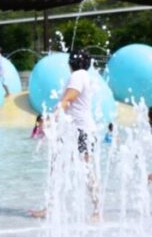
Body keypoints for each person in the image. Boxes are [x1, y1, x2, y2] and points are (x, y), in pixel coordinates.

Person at [30, 48, 101, 221]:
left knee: (83, 170)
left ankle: (97, 210)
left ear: (72, 63)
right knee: (60, 167)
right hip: (75, 130)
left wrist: (51, 119)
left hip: (80, 131)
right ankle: (52, 207)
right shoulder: (86, 76)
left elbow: (67, 100)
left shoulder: (77, 76)